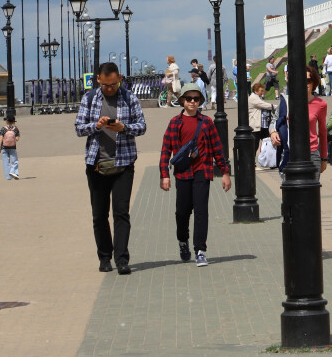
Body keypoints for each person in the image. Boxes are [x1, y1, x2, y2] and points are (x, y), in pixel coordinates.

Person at [75, 62, 147, 274]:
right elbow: (79, 128)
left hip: (123, 164)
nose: (110, 89)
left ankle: (122, 259)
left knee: (121, 213)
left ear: (120, 79)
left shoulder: (129, 97)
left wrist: (123, 128)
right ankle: (104, 257)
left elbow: (142, 127)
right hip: (96, 164)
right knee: (99, 214)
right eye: (106, 85)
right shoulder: (89, 99)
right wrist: (96, 126)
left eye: (114, 84)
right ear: (98, 79)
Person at [159, 83, 230, 266]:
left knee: (201, 212)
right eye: (188, 98)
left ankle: (200, 250)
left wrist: (224, 172)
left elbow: (217, 148)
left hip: (202, 172)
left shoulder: (206, 123)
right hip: (182, 174)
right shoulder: (175, 122)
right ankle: (183, 241)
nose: (192, 102)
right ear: (182, 100)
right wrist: (164, 174)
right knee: (182, 213)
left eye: (196, 99)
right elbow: (166, 149)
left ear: (200, 101)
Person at [249, 79, 278, 170]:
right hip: (256, 126)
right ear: (256, 91)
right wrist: (279, 107)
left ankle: (272, 162)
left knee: (270, 143)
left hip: (263, 125)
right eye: (261, 91)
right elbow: (265, 105)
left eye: (262, 90)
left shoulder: (258, 97)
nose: (262, 92)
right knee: (254, 146)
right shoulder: (253, 98)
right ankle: (252, 165)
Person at [306, 66, 329, 175]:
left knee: (312, 191)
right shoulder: (289, 103)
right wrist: (273, 132)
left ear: (313, 82)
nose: (305, 83)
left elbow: (323, 132)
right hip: (292, 154)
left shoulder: (320, 104)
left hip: (312, 153)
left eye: (308, 80)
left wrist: (324, 158)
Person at [0, 114, 21, 180]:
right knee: (15, 161)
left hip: (4, 147)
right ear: (14, 121)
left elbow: (1, 138)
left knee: (6, 161)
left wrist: (0, 147)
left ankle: (8, 177)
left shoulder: (3, 129)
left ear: (7, 121)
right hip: (13, 147)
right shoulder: (16, 129)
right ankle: (14, 172)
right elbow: (17, 139)